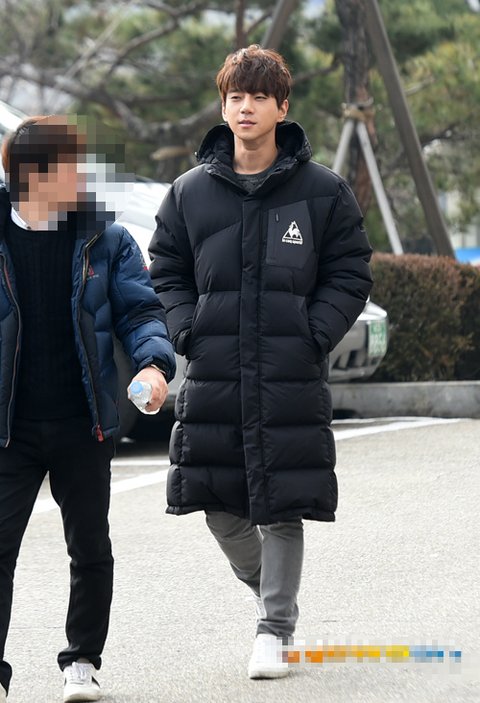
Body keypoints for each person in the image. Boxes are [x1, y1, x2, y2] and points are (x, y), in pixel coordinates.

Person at [149, 45, 373, 679]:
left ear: (282, 106)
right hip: (215, 369)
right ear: (223, 106)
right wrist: (186, 328)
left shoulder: (321, 190)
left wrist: (313, 332)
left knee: (281, 501)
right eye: (234, 96)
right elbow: (164, 269)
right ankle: (269, 589)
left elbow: (350, 271)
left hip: (287, 372)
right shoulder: (189, 192)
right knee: (218, 503)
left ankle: (274, 629)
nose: (245, 107)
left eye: (258, 97)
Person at [0, 115, 175, 702]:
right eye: (70, 166)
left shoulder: (106, 237)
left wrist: (153, 365)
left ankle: (81, 661)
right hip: (8, 428)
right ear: (32, 176)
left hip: (84, 421)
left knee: (90, 548)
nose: (82, 176)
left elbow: (140, 311)